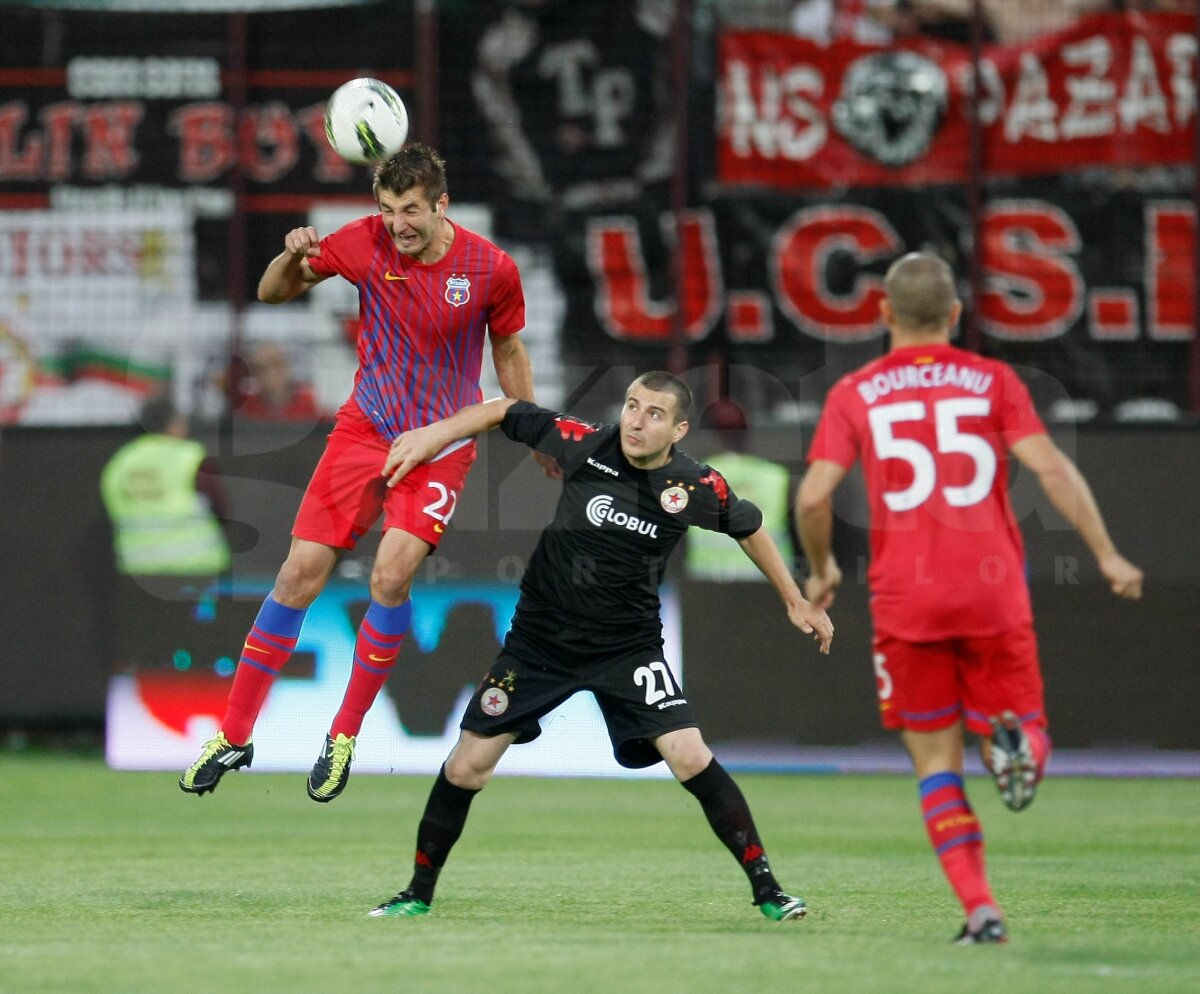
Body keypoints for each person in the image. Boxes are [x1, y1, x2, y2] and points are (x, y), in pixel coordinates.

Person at [368, 371, 834, 922]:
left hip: (627, 649)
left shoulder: (694, 486)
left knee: (689, 755)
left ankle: (769, 890)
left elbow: (749, 528)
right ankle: (416, 893)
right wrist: (434, 435)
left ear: (679, 429)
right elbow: (504, 408)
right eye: (632, 406)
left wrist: (795, 599)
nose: (636, 420)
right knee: (468, 766)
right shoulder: (585, 443)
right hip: (539, 644)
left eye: (654, 414)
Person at [181, 142, 550, 803]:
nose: (398, 224)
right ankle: (234, 736)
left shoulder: (489, 269)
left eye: (410, 210)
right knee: (297, 576)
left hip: (439, 444)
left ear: (441, 205)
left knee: (391, 572)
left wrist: (535, 429)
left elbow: (510, 349)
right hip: (361, 433)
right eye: (387, 209)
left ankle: (343, 734)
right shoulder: (362, 243)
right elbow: (271, 293)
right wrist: (292, 256)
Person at [794, 252, 1144, 944]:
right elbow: (1051, 468)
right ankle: (1020, 744)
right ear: (955, 315)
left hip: (906, 601)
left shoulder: (856, 392)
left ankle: (982, 911)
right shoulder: (995, 381)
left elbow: (811, 495)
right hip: (992, 591)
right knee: (1018, 728)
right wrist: (1105, 551)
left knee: (934, 764)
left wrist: (824, 567)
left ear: (884, 313)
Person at [100, 393, 231, 578]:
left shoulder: (122, 461)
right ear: (174, 423)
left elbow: (113, 506)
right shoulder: (191, 457)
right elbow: (221, 508)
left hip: (138, 568)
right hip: (196, 567)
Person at [685, 399, 794, 581]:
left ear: (711, 435)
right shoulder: (776, 477)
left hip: (707, 585)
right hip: (770, 583)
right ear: (747, 433)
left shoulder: (691, 479)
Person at [234, 342, 323, 422]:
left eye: (276, 364)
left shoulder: (309, 402)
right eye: (260, 367)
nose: (270, 372)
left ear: (287, 366)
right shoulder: (247, 406)